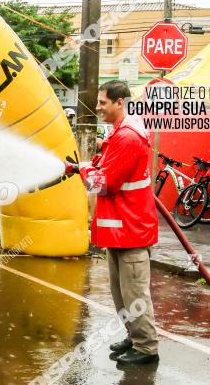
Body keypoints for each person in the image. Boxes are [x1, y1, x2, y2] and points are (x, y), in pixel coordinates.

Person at [66, 80, 160, 365]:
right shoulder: (120, 133)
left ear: (120, 103)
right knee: (121, 294)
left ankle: (146, 348)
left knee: (134, 293)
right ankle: (134, 337)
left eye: (102, 103)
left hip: (130, 230)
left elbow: (104, 184)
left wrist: (83, 170)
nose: (97, 108)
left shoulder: (127, 137)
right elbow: (106, 167)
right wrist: (86, 165)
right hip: (121, 229)